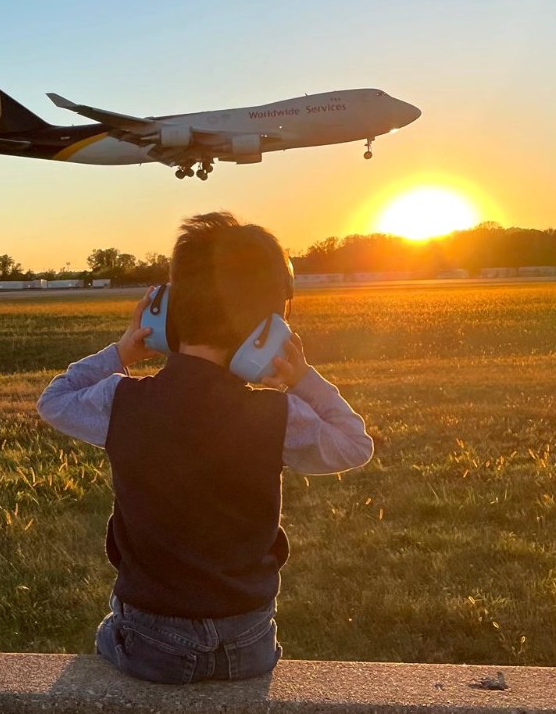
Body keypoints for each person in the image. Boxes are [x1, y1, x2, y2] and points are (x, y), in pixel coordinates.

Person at [36, 212, 373, 684]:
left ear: (166, 313)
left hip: (151, 642)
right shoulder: (276, 415)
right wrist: (302, 380)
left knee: (107, 635)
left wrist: (122, 353)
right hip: (249, 641)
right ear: (268, 331)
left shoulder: (121, 401)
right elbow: (354, 444)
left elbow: (53, 401)